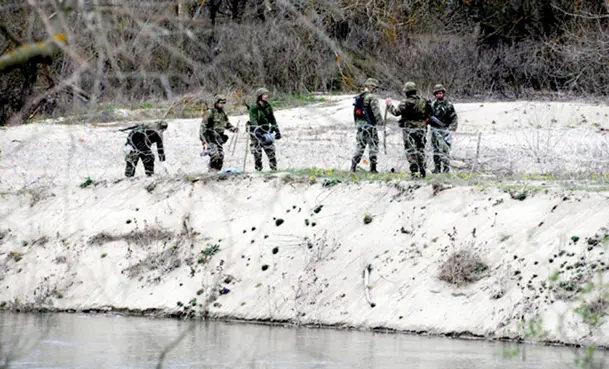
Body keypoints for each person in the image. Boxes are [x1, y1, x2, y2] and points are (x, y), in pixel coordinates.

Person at [385, 81, 432, 178]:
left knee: (410, 150)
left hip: (409, 129)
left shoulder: (405, 102)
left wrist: (389, 105)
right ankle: (422, 169)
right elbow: (430, 113)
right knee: (420, 149)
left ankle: (414, 171)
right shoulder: (424, 101)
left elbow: (396, 112)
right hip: (422, 128)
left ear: (406, 92)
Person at [350, 78, 384, 173]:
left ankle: (353, 166)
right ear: (371, 87)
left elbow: (355, 114)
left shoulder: (359, 97)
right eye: (375, 88)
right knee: (373, 145)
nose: (376, 90)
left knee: (360, 146)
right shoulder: (372, 97)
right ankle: (373, 168)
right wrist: (381, 122)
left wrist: (357, 124)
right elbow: (376, 111)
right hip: (370, 125)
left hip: (360, 125)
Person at [199, 94, 239, 172]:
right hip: (211, 137)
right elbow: (203, 126)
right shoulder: (210, 112)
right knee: (215, 155)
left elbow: (227, 124)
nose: (222, 105)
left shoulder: (222, 114)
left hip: (219, 138)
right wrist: (203, 138)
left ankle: (216, 172)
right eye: (221, 103)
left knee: (221, 156)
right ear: (216, 103)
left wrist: (232, 128)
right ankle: (211, 171)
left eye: (223, 103)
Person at [248, 87, 281, 171]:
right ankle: (258, 169)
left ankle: (274, 169)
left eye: (267, 94)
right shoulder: (254, 107)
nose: (266, 96)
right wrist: (256, 130)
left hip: (266, 131)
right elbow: (253, 119)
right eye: (264, 95)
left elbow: (272, 118)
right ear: (260, 96)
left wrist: (276, 129)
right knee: (257, 152)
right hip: (256, 132)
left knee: (271, 151)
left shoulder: (268, 106)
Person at [429, 84, 458, 173]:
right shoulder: (432, 105)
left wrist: (450, 129)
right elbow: (429, 117)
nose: (439, 95)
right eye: (437, 93)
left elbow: (454, 118)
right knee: (436, 150)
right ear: (435, 94)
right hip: (435, 131)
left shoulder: (449, 105)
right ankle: (437, 168)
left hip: (446, 131)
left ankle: (446, 169)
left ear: (443, 94)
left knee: (445, 151)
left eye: (441, 93)